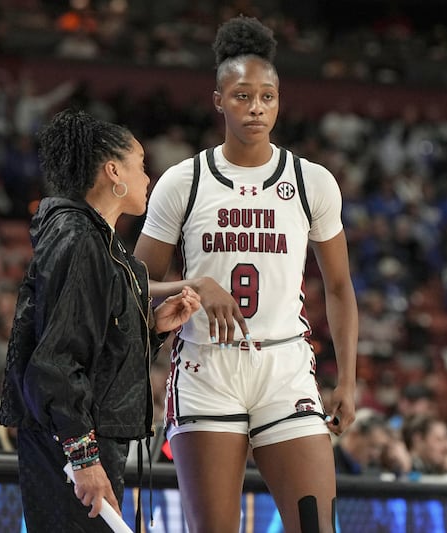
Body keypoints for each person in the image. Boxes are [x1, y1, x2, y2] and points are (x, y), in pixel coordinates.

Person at [133, 16, 358, 532]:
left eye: (266, 96)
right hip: (206, 368)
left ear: (279, 99)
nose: (255, 107)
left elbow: (340, 288)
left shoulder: (311, 181)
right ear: (218, 99)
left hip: (285, 364)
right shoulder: (183, 182)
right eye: (241, 96)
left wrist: (348, 380)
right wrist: (193, 285)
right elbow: (134, 281)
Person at [0, 109, 200, 532]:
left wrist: (152, 330)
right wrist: (83, 457)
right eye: (141, 165)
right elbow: (56, 359)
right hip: (73, 444)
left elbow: (95, 353)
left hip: (81, 437)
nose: (148, 177)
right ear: (113, 171)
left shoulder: (97, 243)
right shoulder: (79, 239)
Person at [333, 408, 390, 476]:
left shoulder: (373, 468)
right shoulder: (329, 463)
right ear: (354, 435)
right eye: (372, 446)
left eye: (380, 448)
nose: (375, 454)